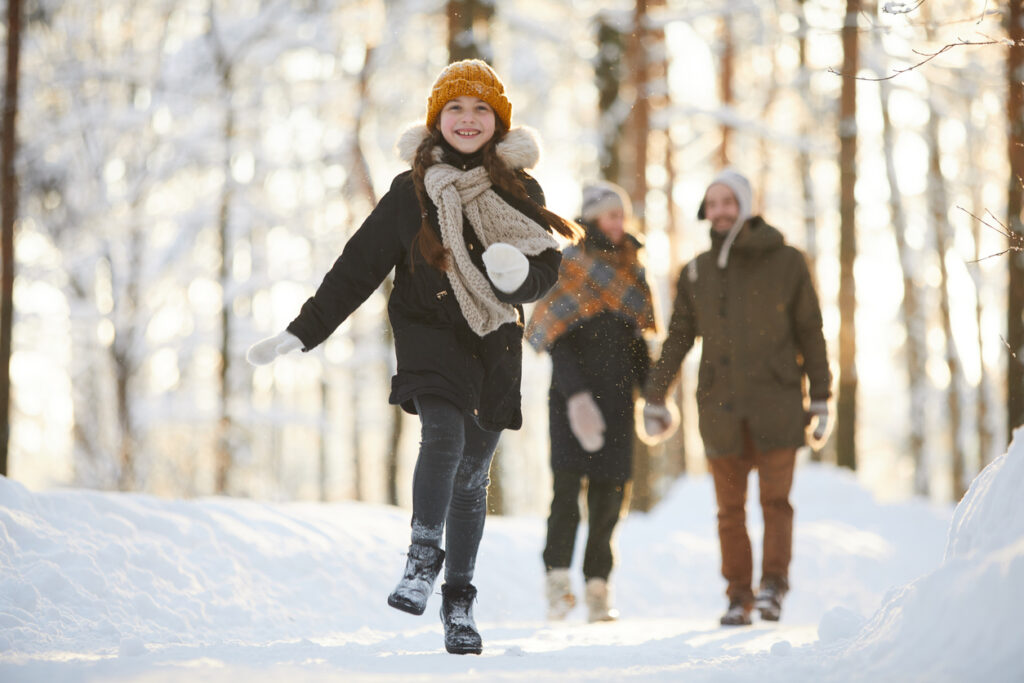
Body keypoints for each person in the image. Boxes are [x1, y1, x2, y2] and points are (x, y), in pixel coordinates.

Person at [245, 59, 582, 655]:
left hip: (495, 342)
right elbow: (357, 268)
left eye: (481, 109)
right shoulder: (411, 192)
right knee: (443, 435)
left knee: (473, 477)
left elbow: (542, 272)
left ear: (498, 123)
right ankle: (422, 557)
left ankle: (459, 602)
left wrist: (517, 278)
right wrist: (303, 331)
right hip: (429, 335)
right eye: (456, 108)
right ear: (436, 120)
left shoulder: (520, 189)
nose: (468, 119)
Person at [642, 168, 831, 626]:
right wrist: (655, 395)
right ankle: (737, 595)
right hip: (720, 409)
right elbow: (679, 338)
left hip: (779, 405)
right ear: (706, 211)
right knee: (729, 511)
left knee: (775, 504)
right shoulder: (697, 270)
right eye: (714, 202)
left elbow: (811, 331)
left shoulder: (787, 261)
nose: (721, 210)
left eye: (729, 201)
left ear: (745, 207)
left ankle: (772, 589)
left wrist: (822, 397)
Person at [525, 181, 657, 623]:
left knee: (609, 500)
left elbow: (640, 345)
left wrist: (654, 397)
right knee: (566, 496)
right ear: (592, 218)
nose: (619, 223)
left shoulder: (633, 269)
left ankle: (598, 588)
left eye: (622, 214)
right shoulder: (569, 265)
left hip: (620, 403)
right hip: (570, 401)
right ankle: (557, 584)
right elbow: (555, 342)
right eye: (610, 215)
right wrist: (578, 398)